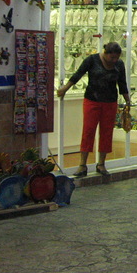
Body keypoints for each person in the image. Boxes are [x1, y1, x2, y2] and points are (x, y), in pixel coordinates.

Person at [57, 41, 130, 178]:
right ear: (105, 53)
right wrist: (64, 89)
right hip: (92, 100)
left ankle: (101, 164)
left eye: (117, 57)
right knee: (88, 131)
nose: (114, 60)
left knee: (107, 133)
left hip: (110, 102)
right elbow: (78, 75)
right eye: (112, 57)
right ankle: (82, 165)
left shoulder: (119, 64)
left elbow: (122, 83)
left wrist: (128, 101)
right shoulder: (92, 60)